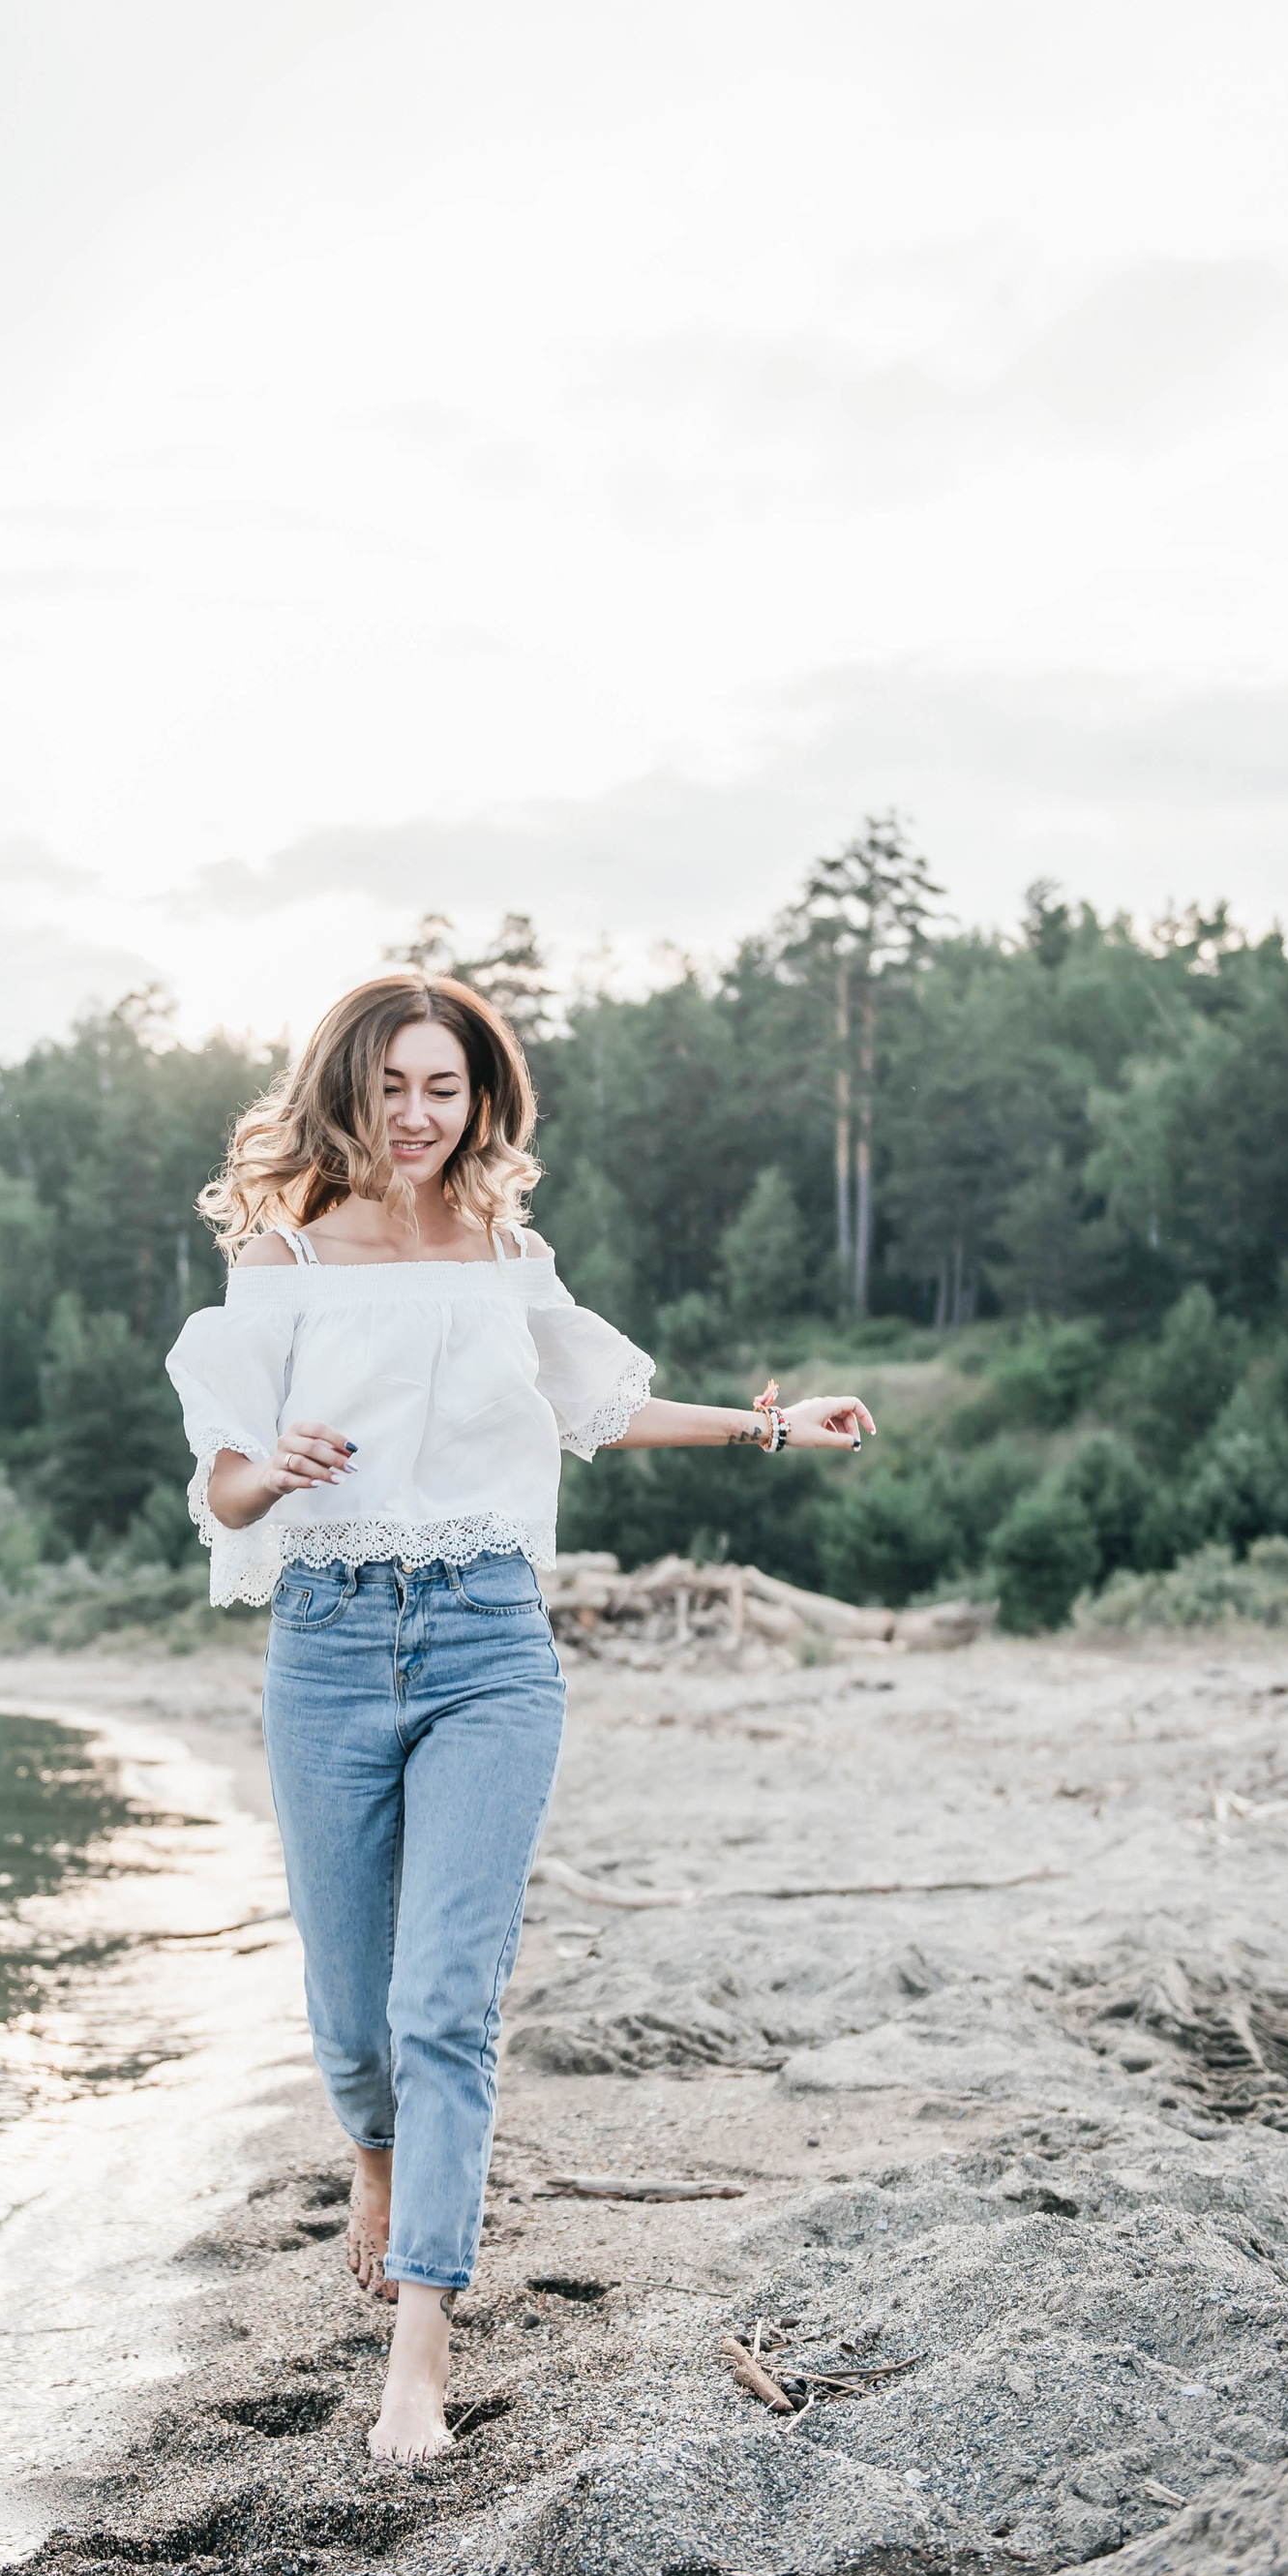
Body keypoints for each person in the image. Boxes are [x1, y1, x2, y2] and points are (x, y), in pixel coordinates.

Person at [165, 972, 874, 2463]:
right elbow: (219, 1481)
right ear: (342, 1093)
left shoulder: (504, 1256)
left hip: (491, 1644)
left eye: (446, 1088)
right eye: (394, 1087)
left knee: (444, 2008)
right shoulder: (285, 1264)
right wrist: (269, 1465)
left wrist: (769, 1422)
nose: (419, 1117)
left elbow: (599, 1408)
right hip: (331, 1651)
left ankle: (419, 2348)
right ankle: (376, 2160)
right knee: (353, 2021)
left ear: (480, 1100)